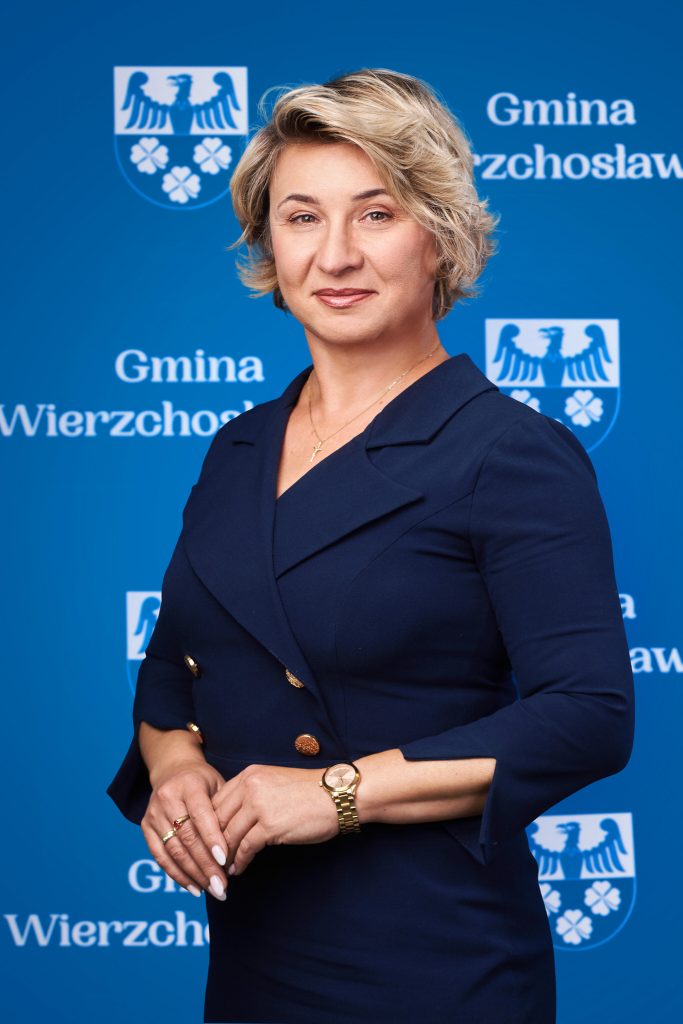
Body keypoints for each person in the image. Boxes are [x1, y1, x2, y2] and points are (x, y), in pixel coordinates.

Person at [106, 68, 635, 1024]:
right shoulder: (238, 447)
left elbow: (588, 717)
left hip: (433, 958)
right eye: (302, 217)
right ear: (269, 243)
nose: (336, 254)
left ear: (439, 234)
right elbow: (173, 668)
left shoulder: (508, 451)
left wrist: (336, 793)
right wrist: (176, 768)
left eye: (376, 214)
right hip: (257, 952)